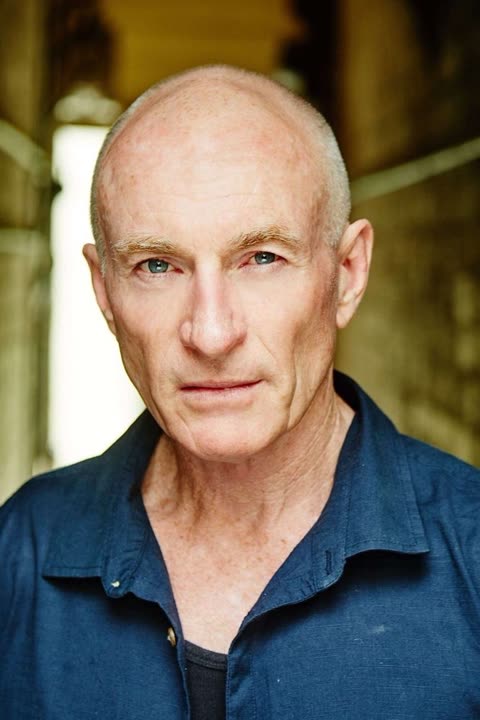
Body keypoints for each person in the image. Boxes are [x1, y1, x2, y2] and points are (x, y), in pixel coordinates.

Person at [1, 65, 479, 720]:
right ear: (104, 291)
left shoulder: (470, 554)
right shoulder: (21, 550)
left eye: (261, 258)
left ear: (347, 273)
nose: (211, 332)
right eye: (157, 265)